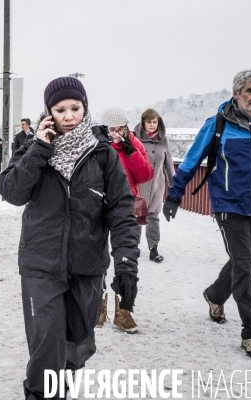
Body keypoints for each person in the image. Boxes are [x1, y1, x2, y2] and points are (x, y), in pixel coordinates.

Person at [0, 77, 140, 400]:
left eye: (75, 108)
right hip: (40, 266)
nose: (68, 115)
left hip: (87, 267)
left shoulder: (102, 154)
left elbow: (121, 210)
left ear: (85, 108)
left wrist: (126, 262)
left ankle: (62, 384)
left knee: (79, 345)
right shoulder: (30, 147)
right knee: (47, 347)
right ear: (49, 112)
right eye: (60, 109)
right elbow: (11, 192)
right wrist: (39, 149)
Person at [163, 69, 251, 360]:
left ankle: (215, 295)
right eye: (250, 91)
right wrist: (174, 195)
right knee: (244, 265)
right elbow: (190, 162)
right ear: (236, 93)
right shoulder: (217, 125)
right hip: (228, 204)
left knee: (246, 259)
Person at [99, 107, 153, 332]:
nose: (117, 133)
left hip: (129, 204)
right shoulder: (97, 145)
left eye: (121, 128)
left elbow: (145, 175)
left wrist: (131, 153)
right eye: (112, 129)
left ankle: (123, 310)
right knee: (95, 256)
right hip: (100, 205)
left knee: (127, 258)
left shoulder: (133, 143)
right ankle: (97, 306)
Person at [133, 109, 175, 263]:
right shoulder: (134, 139)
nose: (152, 125)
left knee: (153, 216)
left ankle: (153, 248)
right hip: (139, 186)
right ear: (143, 122)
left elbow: (169, 163)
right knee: (137, 215)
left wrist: (174, 186)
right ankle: (133, 247)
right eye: (149, 122)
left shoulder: (163, 140)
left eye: (154, 122)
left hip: (157, 185)